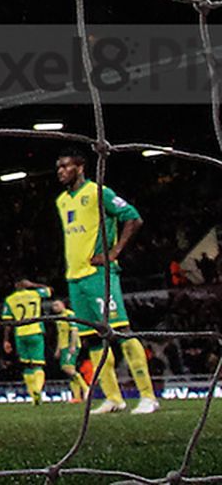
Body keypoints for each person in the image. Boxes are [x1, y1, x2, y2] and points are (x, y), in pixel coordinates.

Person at [53, 149, 158, 414]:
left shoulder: (98, 192)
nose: (60, 171)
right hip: (75, 280)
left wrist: (114, 252)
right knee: (94, 339)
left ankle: (148, 396)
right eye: (58, 168)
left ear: (80, 167)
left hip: (99, 276)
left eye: (65, 166)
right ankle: (114, 398)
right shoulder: (62, 201)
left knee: (121, 332)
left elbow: (133, 217)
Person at [0, 279, 52, 405]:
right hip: (35, 331)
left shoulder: (10, 299)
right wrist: (34, 285)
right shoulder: (35, 293)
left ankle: (33, 396)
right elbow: (50, 290)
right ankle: (38, 391)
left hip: (21, 333)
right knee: (38, 364)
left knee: (26, 365)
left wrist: (6, 340)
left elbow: (7, 322)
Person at [51, 299, 89, 403]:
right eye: (53, 306)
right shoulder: (58, 319)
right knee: (69, 371)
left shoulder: (70, 315)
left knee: (67, 368)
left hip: (70, 345)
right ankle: (77, 397)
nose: (55, 307)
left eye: (57, 304)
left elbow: (74, 331)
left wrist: (73, 345)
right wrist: (58, 349)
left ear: (63, 305)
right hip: (63, 347)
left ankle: (86, 389)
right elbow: (60, 335)